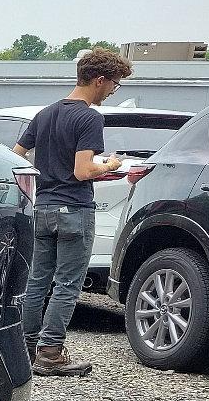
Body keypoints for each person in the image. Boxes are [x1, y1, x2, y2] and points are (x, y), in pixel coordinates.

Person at [13, 46, 134, 377]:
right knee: (67, 284)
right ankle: (50, 353)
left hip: (44, 207)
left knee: (38, 280)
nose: (113, 91)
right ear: (99, 80)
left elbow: (16, 155)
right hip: (75, 209)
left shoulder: (45, 114)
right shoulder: (90, 117)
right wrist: (110, 164)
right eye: (115, 84)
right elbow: (83, 171)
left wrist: (45, 177)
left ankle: (24, 349)